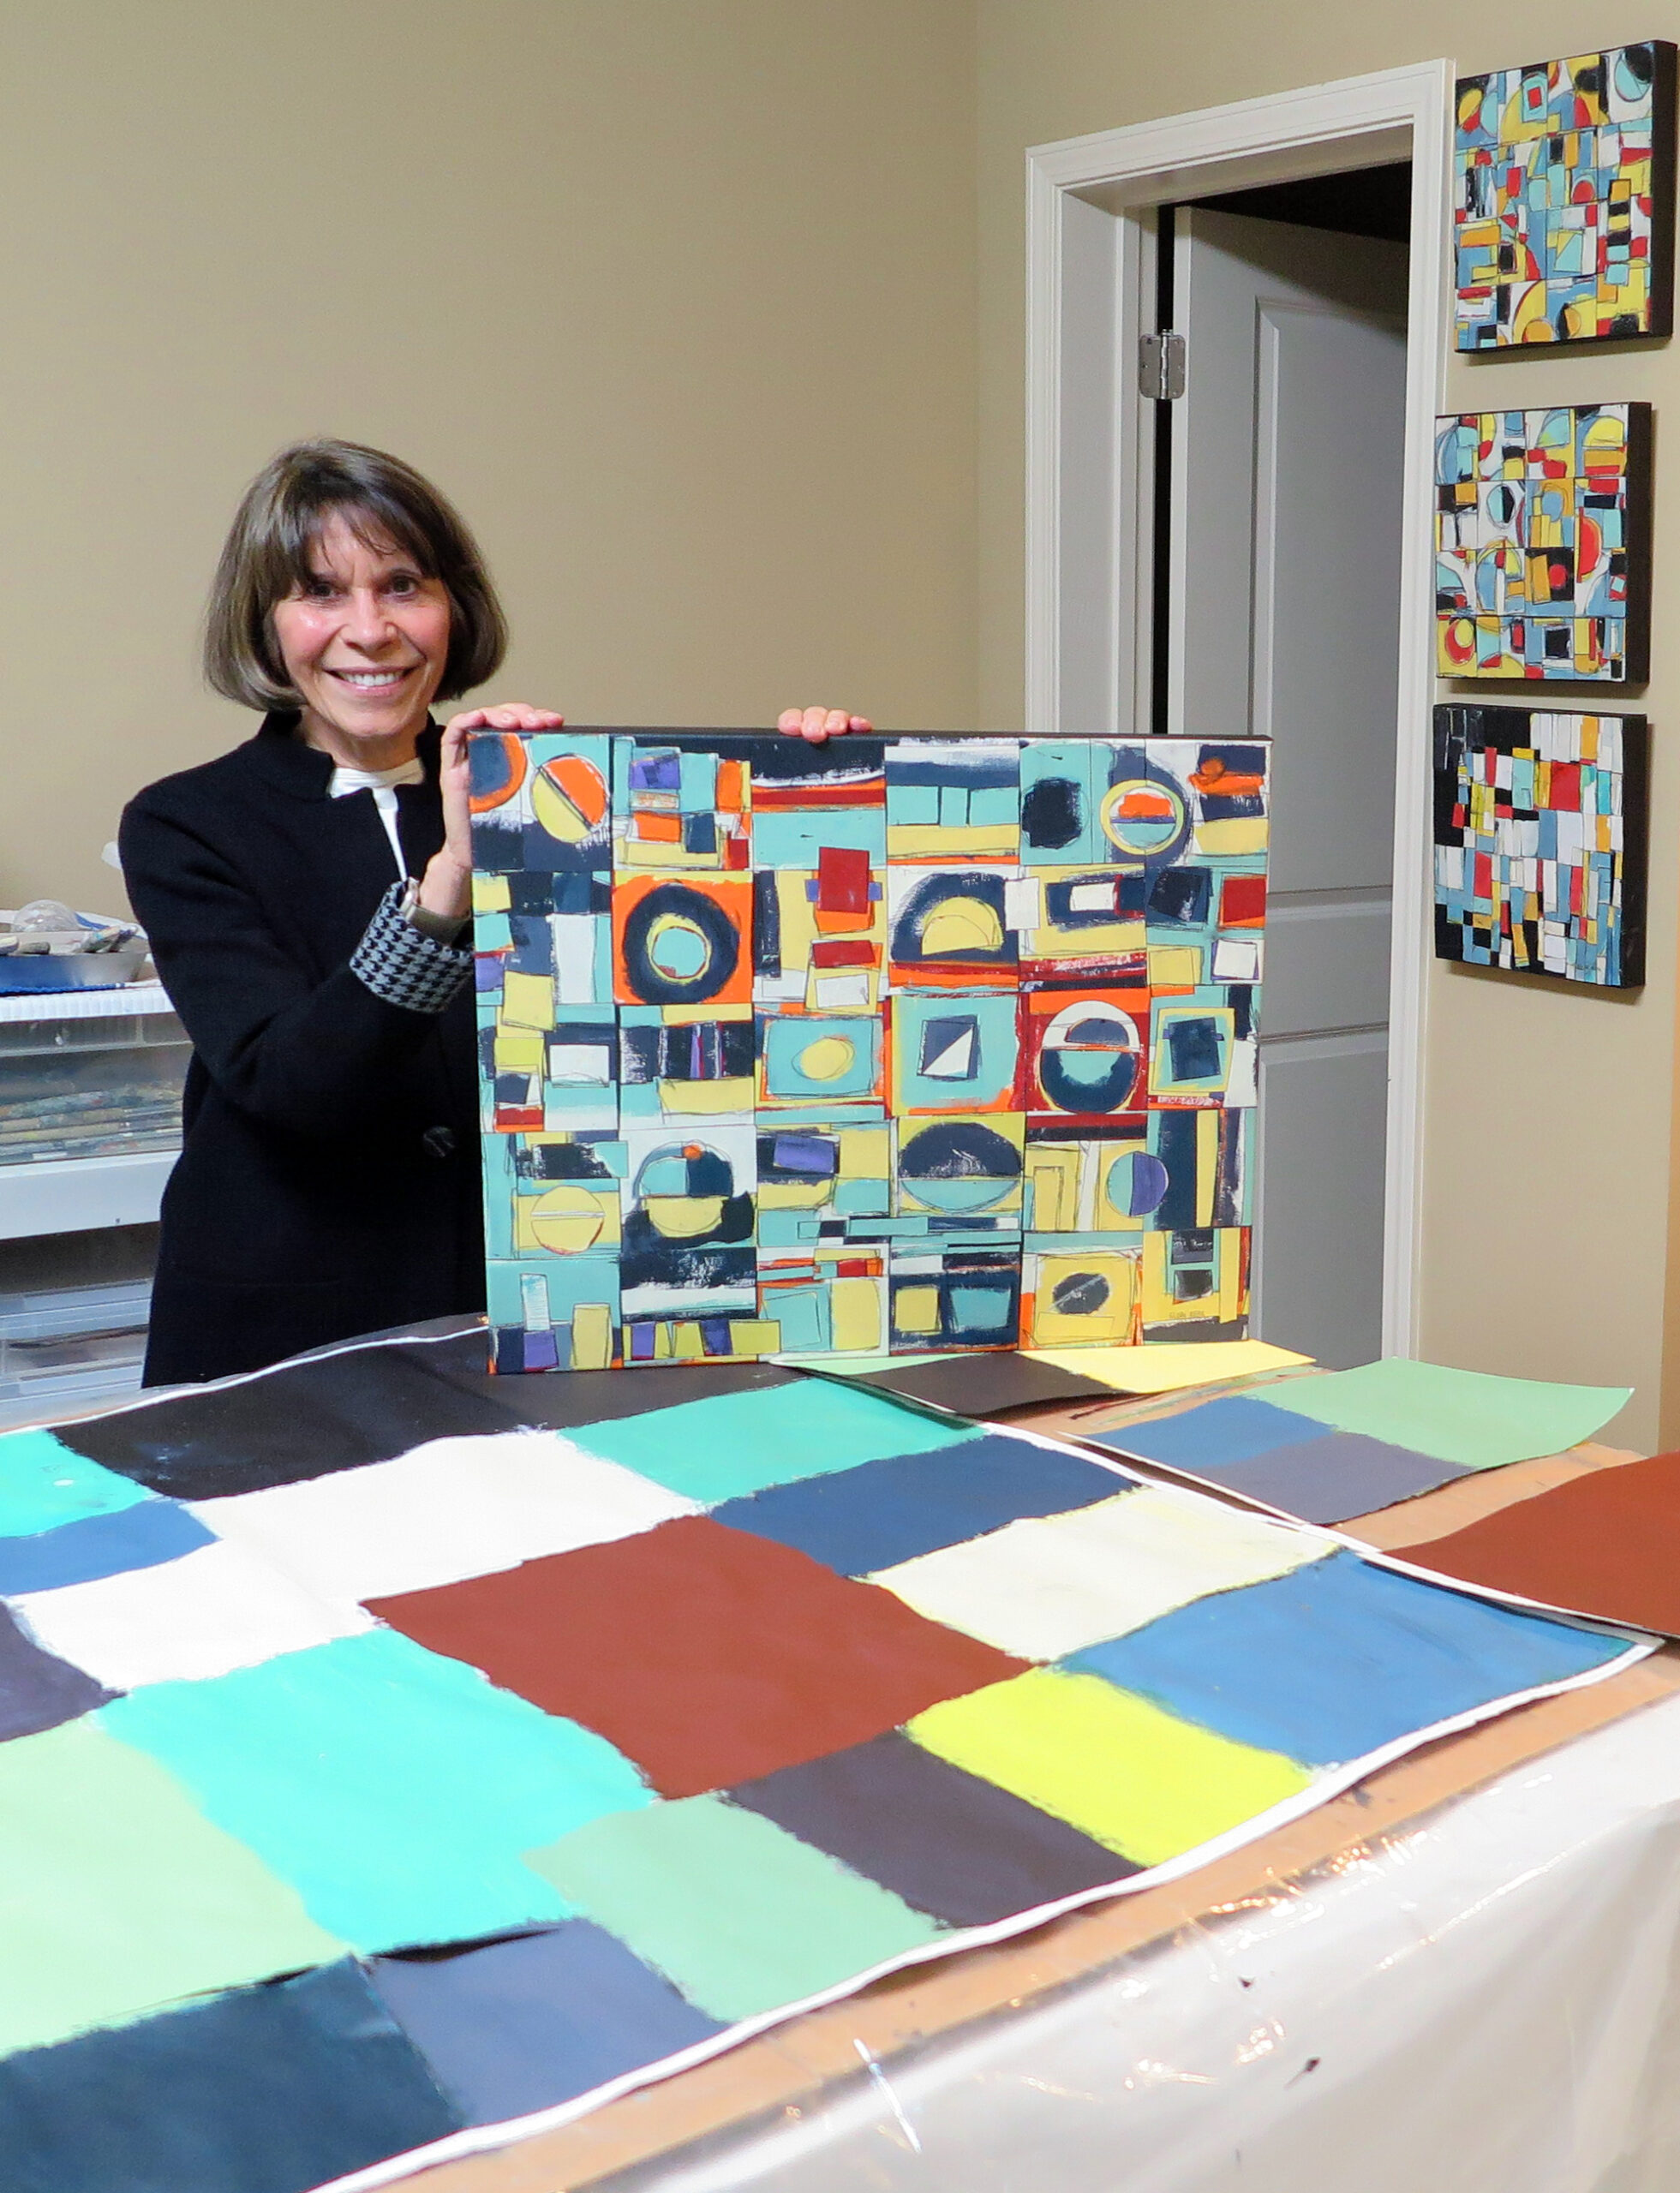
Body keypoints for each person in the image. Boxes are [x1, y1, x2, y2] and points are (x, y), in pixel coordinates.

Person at [121, 437, 867, 1384]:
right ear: (267, 625)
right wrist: (449, 883)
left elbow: (722, 1007)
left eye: (400, 585)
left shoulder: (553, 793)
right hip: (284, 1327)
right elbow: (289, 1086)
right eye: (321, 592)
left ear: (451, 607)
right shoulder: (186, 822)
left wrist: (833, 792)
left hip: (527, 1302)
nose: (370, 628)